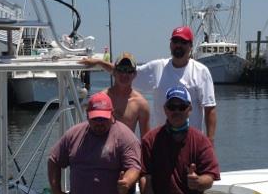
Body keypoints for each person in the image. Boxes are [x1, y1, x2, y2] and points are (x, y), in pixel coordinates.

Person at [82, 26, 217, 141]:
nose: (179, 45)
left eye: (183, 42)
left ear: (190, 46)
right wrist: (100, 63)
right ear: (170, 44)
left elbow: (210, 109)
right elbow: (126, 74)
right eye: (175, 41)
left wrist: (210, 141)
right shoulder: (158, 67)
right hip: (163, 140)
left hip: (191, 140)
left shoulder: (201, 71)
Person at [105, 53, 150, 136]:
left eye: (129, 70)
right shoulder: (102, 98)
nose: (124, 74)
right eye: (121, 69)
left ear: (135, 74)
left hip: (126, 148)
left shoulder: (141, 104)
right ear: (114, 72)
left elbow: (146, 140)